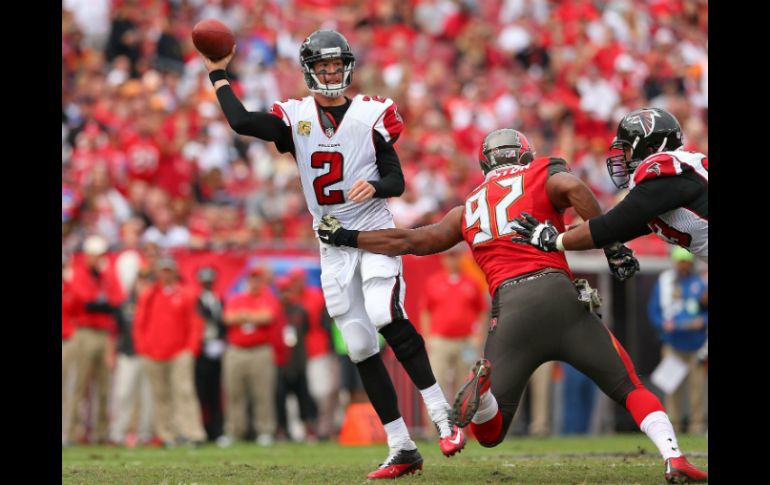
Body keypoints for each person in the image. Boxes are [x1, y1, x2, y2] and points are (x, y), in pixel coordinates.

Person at [317, 128, 707, 483]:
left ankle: (482, 395)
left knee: (490, 432)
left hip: (511, 308)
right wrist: (612, 245)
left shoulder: (467, 206)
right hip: (559, 296)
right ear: (524, 153)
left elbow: (414, 241)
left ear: (485, 161)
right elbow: (573, 186)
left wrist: (350, 237)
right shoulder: (540, 173)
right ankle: (673, 456)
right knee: (629, 385)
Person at [199, 29, 463, 477]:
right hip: (331, 243)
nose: (330, 73)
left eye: (336, 65)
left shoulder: (371, 114)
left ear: (347, 67)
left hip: (374, 232)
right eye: (322, 66)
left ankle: (442, 416)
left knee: (384, 313)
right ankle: (401, 445)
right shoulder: (296, 116)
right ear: (309, 71)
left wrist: (375, 185)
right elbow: (242, 122)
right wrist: (218, 73)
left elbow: (396, 182)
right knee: (359, 345)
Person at [510, 108, 708, 263]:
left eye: (628, 149)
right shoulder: (676, 176)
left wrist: (554, 240)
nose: (623, 157)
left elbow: (612, 225)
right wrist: (562, 231)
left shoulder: (665, 171)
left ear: (650, 147)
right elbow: (620, 226)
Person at [133, 257, 206, 447]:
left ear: (175, 272)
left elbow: (195, 322)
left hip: (180, 351)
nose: (165, 274)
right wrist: (143, 347)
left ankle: (192, 433)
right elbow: (139, 324)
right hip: (153, 352)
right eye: (162, 271)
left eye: (168, 270)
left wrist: (191, 348)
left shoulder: (187, 294)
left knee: (184, 391)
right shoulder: (148, 295)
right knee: (160, 394)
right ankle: (167, 435)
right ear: (158, 273)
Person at [218, 264, 283, 447]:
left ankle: (264, 430)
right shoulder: (237, 298)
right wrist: (252, 316)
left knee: (262, 393)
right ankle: (234, 431)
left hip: (260, 350)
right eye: (252, 278)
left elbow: (267, 317)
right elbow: (228, 318)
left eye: (257, 279)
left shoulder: (268, 297)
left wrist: (244, 316)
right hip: (236, 350)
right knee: (234, 393)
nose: (254, 282)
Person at [648, 247, 708, 434]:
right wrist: (662, 324)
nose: (683, 266)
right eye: (680, 262)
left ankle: (696, 427)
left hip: (696, 346)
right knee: (671, 389)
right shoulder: (664, 283)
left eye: (686, 262)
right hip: (673, 345)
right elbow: (653, 311)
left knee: (697, 389)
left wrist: (702, 321)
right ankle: (673, 427)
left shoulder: (700, 283)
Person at [194, 267, 226, 442]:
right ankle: (203, 429)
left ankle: (216, 430)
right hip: (202, 347)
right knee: (201, 393)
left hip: (216, 346)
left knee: (215, 392)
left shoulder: (218, 298)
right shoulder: (196, 299)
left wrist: (221, 340)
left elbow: (222, 322)